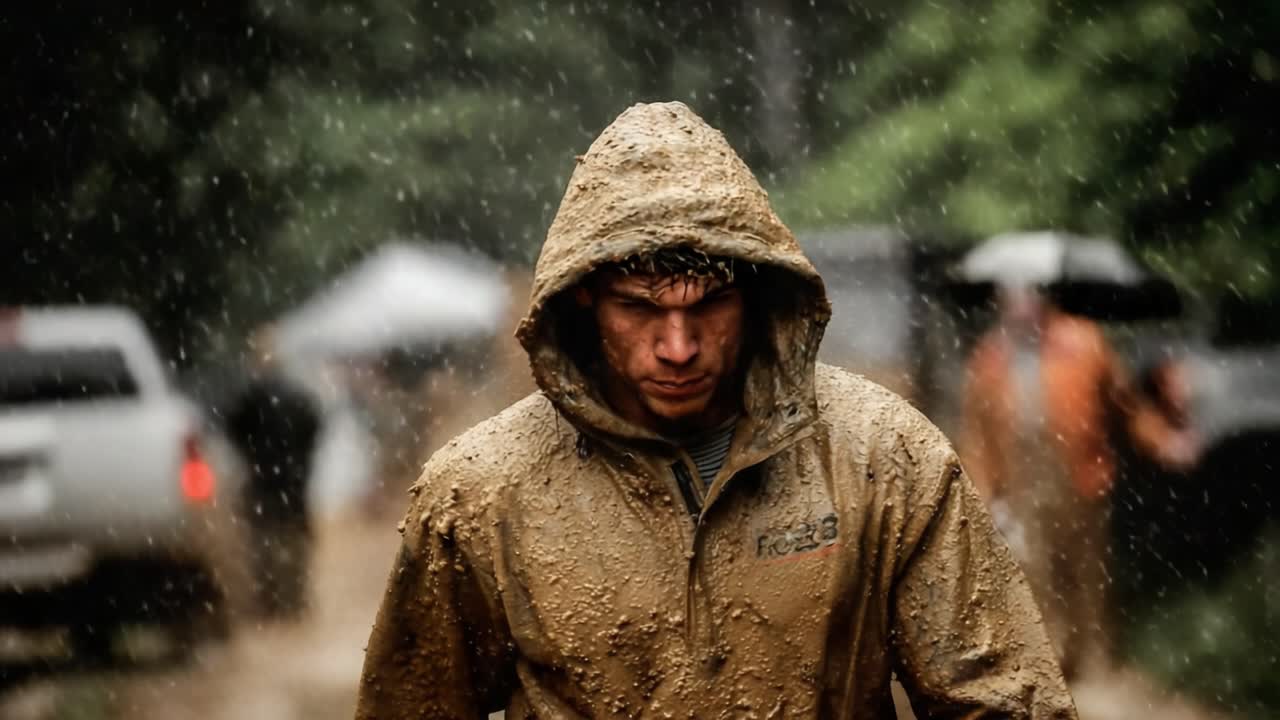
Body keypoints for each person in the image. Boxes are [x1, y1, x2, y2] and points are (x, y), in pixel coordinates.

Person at [355, 102, 1076, 719]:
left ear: (759, 295)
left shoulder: (882, 458)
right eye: (640, 309)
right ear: (584, 299)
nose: (678, 347)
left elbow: (1003, 701)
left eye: (710, 306)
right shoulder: (481, 495)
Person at [961, 285, 1198, 680]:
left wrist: (1163, 441)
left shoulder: (1083, 343)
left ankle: (1098, 661)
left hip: (1080, 475)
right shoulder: (990, 358)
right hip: (1022, 481)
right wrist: (982, 494)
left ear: (1043, 298)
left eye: (1027, 295)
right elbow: (977, 436)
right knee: (1036, 572)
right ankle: (1054, 660)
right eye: (1011, 297)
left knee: (1089, 573)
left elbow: (1126, 407)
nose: (1020, 307)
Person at [225, 330, 322, 619]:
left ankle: (271, 600)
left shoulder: (251, 397)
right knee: (293, 538)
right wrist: (302, 460)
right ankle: (293, 599)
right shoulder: (298, 395)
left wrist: (253, 457)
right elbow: (315, 429)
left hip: (264, 478)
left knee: (264, 540)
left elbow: (233, 429)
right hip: (293, 478)